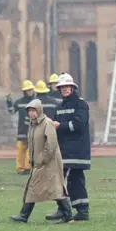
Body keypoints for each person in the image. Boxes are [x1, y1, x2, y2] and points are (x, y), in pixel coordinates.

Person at [9, 99, 73, 224]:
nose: (31, 113)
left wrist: (42, 158)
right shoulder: (32, 125)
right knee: (39, 187)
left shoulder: (47, 123)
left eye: (33, 110)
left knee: (55, 188)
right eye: (29, 111)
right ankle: (24, 215)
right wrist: (33, 159)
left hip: (50, 162)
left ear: (39, 110)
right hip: (39, 163)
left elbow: (51, 143)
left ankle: (68, 216)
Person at [47, 73, 91, 221]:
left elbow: (78, 125)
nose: (64, 89)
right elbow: (55, 124)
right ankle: (81, 211)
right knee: (73, 180)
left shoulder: (81, 104)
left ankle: (64, 209)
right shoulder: (59, 106)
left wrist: (60, 126)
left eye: (67, 86)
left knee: (68, 179)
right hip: (64, 150)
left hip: (77, 150)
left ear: (72, 88)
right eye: (62, 87)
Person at [6, 80, 35, 174]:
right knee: (20, 149)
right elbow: (11, 111)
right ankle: (20, 168)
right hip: (22, 130)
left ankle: (28, 168)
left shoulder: (36, 102)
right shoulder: (19, 102)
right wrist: (9, 101)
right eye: (28, 90)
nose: (30, 91)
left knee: (30, 149)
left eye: (31, 90)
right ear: (24, 91)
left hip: (32, 129)